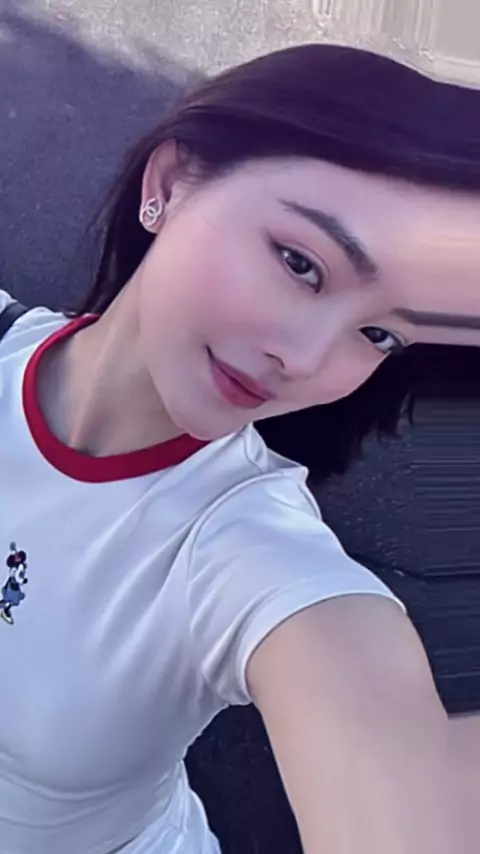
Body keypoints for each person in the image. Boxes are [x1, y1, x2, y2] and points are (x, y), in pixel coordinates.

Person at [0, 42, 478, 854]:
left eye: (379, 335)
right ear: (170, 183)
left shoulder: (244, 550)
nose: (307, 357)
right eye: (301, 263)